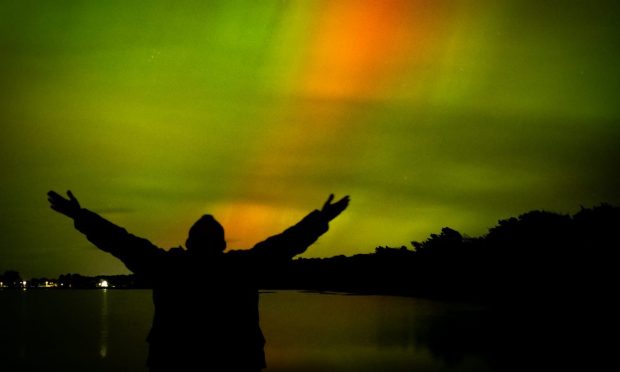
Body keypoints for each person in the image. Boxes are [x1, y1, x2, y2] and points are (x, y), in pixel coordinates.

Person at [47, 190, 349, 371]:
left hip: (174, 363)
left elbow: (119, 241)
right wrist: (321, 219)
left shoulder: (167, 267)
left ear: (189, 243)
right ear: (223, 245)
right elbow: (287, 243)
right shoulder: (242, 267)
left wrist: (79, 215)